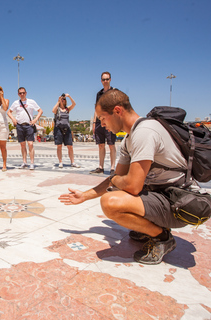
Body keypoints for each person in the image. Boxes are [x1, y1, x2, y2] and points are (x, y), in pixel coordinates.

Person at [59, 89, 189, 265]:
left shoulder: (144, 132)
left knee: (110, 202)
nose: (102, 124)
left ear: (117, 111)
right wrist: (85, 195)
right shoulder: (130, 138)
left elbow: (132, 185)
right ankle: (150, 228)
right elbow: (119, 177)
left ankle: (162, 237)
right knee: (118, 191)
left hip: (181, 203)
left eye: (103, 118)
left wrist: (116, 180)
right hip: (164, 194)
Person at [7, 87, 43, 170]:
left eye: (23, 93)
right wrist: (13, 119)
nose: (22, 94)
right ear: (18, 94)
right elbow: (9, 112)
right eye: (20, 93)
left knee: (30, 144)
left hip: (29, 125)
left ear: (26, 93)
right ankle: (24, 162)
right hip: (19, 125)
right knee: (22, 145)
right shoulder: (16, 103)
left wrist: (35, 119)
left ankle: (32, 163)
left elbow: (40, 111)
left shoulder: (31, 102)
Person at [90, 71, 117, 175]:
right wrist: (94, 123)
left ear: (110, 80)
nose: (105, 81)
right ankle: (100, 167)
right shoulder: (99, 94)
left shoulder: (114, 92)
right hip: (99, 122)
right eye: (103, 79)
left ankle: (112, 168)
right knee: (101, 145)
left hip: (110, 121)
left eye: (107, 79)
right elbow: (97, 109)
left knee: (111, 145)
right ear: (101, 81)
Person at [52, 93, 80, 168]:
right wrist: (58, 102)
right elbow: (53, 111)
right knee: (59, 146)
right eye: (62, 99)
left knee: (70, 146)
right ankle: (60, 162)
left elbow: (74, 104)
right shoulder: (57, 109)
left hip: (67, 129)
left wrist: (69, 96)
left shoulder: (67, 109)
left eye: (64, 99)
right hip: (58, 129)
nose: (63, 100)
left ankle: (72, 162)